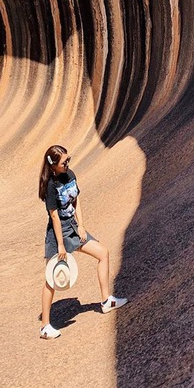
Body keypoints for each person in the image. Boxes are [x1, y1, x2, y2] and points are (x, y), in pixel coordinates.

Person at [39, 144, 128, 339]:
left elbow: (76, 200)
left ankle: (106, 301)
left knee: (102, 253)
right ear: (53, 165)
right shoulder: (50, 186)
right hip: (58, 233)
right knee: (51, 279)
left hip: (73, 227)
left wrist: (81, 225)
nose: (68, 164)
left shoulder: (70, 175)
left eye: (68, 160)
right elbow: (54, 217)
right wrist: (60, 245)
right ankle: (45, 326)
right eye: (64, 162)